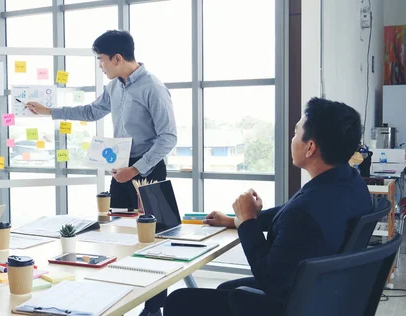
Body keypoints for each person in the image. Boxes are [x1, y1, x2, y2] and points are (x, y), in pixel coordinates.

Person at [164, 98, 373, 316]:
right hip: (326, 295)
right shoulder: (350, 184)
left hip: (291, 304)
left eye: (295, 133)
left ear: (310, 147)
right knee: (226, 289)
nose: (292, 139)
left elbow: (270, 280)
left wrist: (248, 223)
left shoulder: (305, 213)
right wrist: (234, 220)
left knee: (179, 301)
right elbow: (289, 213)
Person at [27, 30, 176, 316]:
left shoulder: (152, 87)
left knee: (151, 239)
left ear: (117, 58)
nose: (100, 66)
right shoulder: (115, 86)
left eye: (101, 60)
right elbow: (92, 111)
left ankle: (153, 307)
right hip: (122, 168)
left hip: (148, 169)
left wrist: (135, 169)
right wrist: (49, 112)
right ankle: (118, 295)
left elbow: (168, 137)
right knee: (115, 231)